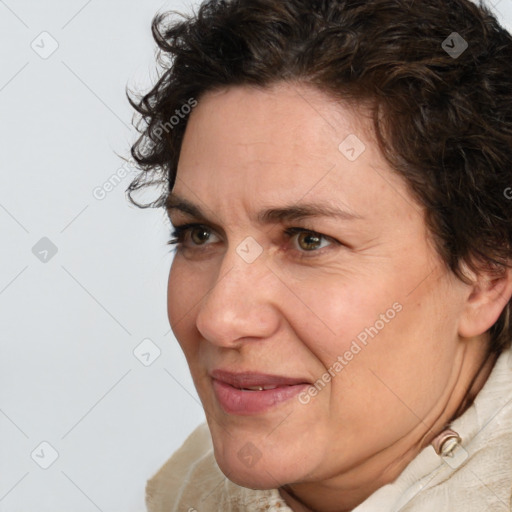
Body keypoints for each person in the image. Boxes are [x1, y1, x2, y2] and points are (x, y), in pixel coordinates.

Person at [127, 0, 512, 510]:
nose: (220, 319)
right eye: (198, 234)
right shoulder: (183, 491)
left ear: (485, 277)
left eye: (309, 239)